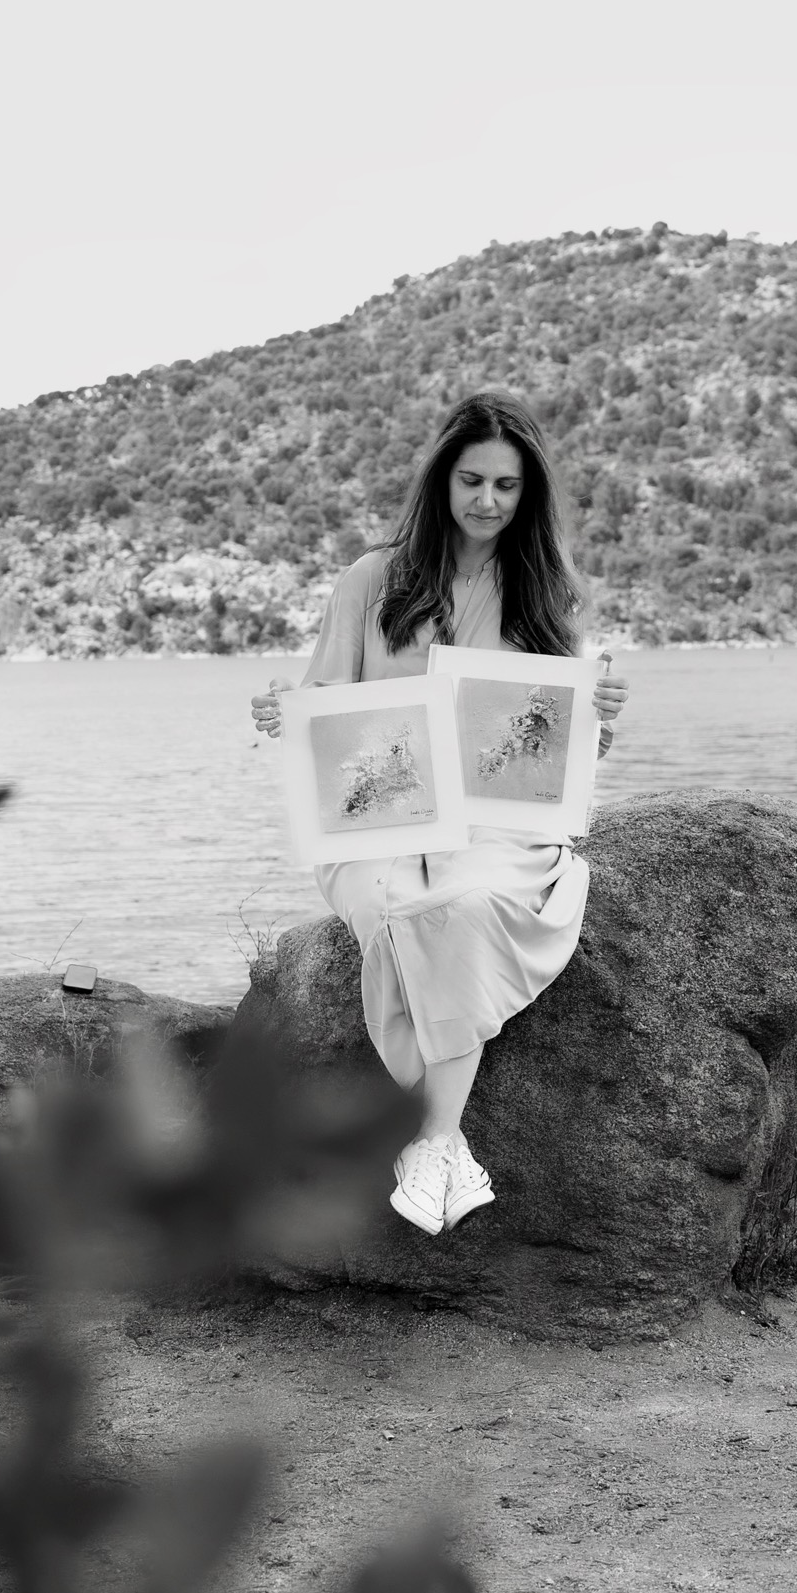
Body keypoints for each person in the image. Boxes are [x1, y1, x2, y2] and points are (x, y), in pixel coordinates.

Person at [251, 388, 630, 1237]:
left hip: (496, 828)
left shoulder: (543, 592)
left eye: (506, 486)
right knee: (397, 910)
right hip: (377, 826)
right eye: (472, 480)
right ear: (440, 480)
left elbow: (562, 752)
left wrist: (599, 712)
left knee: (462, 905)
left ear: (526, 496)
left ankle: (432, 1140)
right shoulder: (371, 581)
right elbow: (322, 699)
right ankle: (442, 1142)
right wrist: (285, 710)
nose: (488, 501)